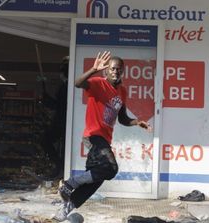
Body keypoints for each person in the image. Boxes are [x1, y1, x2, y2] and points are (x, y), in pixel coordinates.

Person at [54, 51, 151, 221]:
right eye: (113, 69)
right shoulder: (98, 84)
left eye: (119, 69)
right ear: (106, 71)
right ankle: (70, 184)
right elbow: (78, 83)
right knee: (111, 168)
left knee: (95, 180)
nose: (116, 72)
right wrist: (93, 69)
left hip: (104, 139)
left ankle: (64, 209)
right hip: (93, 135)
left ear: (123, 72)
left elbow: (122, 118)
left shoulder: (122, 92)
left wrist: (137, 122)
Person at [40, 56, 69, 177]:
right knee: (51, 142)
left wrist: (47, 100)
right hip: (61, 120)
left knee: (46, 140)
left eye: (63, 69)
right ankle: (59, 166)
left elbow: (60, 106)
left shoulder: (67, 86)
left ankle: (59, 165)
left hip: (63, 121)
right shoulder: (65, 85)